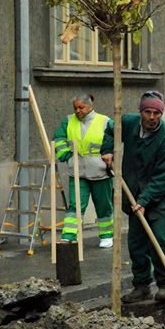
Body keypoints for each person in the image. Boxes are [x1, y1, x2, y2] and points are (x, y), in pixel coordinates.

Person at [102, 91, 165, 303]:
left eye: (156, 113)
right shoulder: (129, 123)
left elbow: (163, 178)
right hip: (135, 191)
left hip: (163, 195)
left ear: (161, 114)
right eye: (148, 112)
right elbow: (110, 129)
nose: (152, 117)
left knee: (158, 237)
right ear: (141, 112)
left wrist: (145, 201)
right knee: (136, 240)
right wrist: (108, 150)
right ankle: (142, 285)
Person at [53, 93, 115, 248]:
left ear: (90, 106)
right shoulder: (68, 121)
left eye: (81, 107)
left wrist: (112, 156)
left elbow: (116, 139)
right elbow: (59, 139)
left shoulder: (105, 121)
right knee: (75, 206)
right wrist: (67, 157)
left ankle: (107, 236)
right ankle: (68, 236)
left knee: (103, 205)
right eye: (75, 108)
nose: (78, 111)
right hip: (78, 171)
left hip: (101, 171)